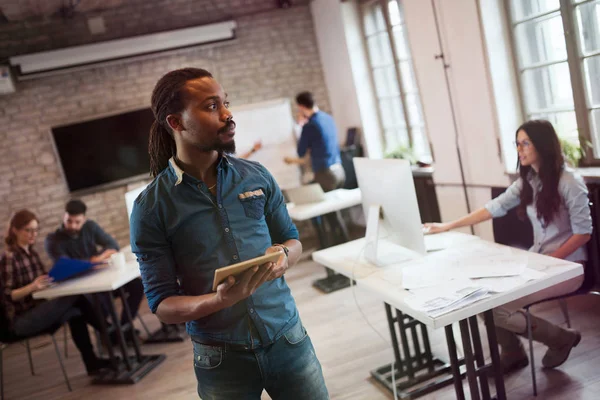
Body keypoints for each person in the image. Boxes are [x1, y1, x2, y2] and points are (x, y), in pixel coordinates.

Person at [130, 68, 328, 400]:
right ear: (176, 123)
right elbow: (162, 304)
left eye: (226, 103)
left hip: (288, 338)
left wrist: (283, 256)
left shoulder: (257, 177)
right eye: (211, 107)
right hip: (221, 359)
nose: (227, 114)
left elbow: (292, 239)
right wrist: (218, 301)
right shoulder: (151, 208)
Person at [424, 120, 591, 373]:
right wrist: (447, 225)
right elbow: (494, 207)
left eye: (526, 143)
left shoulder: (570, 182)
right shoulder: (529, 181)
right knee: (481, 298)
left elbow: (583, 233)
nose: (520, 150)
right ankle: (513, 352)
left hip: (569, 268)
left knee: (499, 310)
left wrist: (550, 261)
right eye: (517, 144)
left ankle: (560, 338)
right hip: (540, 262)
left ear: (542, 146)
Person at [0, 210, 110, 375]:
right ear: (15, 230)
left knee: (76, 312)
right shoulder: (9, 257)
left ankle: (92, 363)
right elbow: (6, 295)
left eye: (35, 230)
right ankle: (111, 332)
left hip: (38, 310)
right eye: (28, 230)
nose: (33, 234)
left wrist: (58, 277)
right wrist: (32, 287)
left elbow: (43, 282)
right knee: (75, 297)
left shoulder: (32, 253)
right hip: (20, 321)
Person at [45, 200, 144, 338]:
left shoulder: (90, 227)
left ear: (84, 219)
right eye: (69, 221)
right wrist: (93, 260)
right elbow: (64, 264)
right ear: (64, 217)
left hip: (102, 279)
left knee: (137, 285)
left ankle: (123, 329)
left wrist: (98, 257)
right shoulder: (52, 239)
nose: (72, 225)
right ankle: (113, 336)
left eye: (77, 222)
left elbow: (112, 244)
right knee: (98, 304)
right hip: (82, 288)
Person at [284, 91, 345, 192]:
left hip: (326, 174)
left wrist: (300, 125)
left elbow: (301, 152)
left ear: (301, 107)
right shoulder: (328, 118)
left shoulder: (310, 125)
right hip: (339, 170)